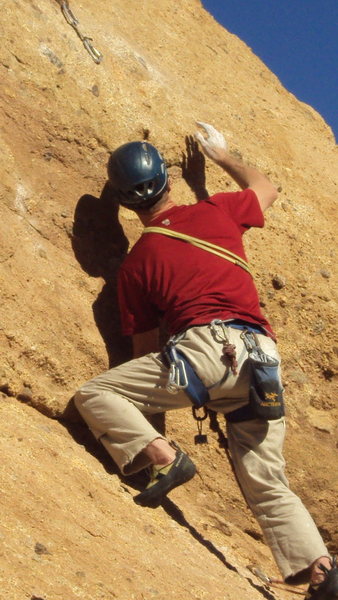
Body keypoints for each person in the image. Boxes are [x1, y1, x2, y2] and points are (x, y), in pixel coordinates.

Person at [74, 122, 336, 597]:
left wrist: (152, 438)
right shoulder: (217, 211)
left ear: (128, 204)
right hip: (263, 362)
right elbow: (266, 187)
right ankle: (321, 571)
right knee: (265, 479)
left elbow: (147, 352)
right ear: (169, 182)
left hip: (205, 355)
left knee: (97, 392)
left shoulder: (137, 265)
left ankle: (164, 460)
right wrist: (221, 155)